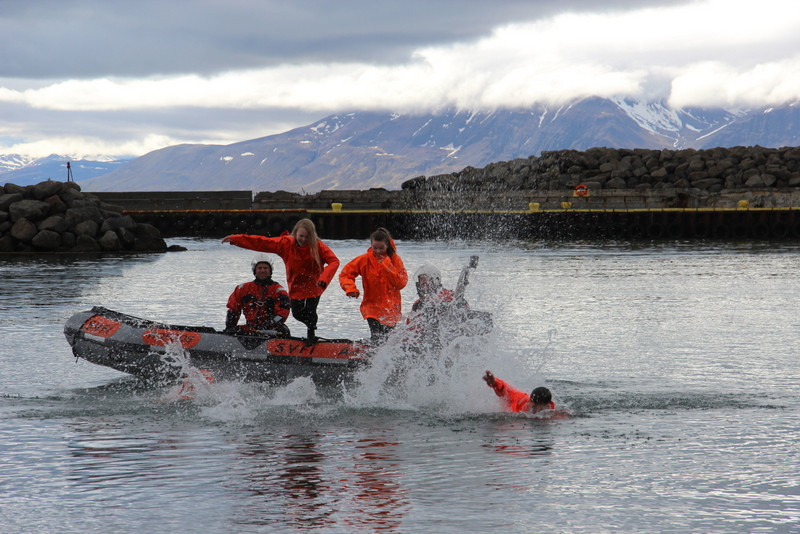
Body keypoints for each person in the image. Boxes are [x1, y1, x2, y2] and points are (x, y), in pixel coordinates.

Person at [223, 218, 339, 342]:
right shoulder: (285, 243)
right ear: (295, 234)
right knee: (297, 314)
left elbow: (334, 261)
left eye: (307, 237)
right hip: (296, 287)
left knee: (311, 312)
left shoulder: (318, 246)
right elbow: (262, 243)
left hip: (315, 285)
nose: (303, 240)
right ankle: (310, 326)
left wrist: (324, 279)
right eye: (301, 236)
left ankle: (311, 334)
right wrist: (236, 240)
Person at [339, 227, 408, 344]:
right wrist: (350, 288)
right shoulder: (364, 260)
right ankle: (372, 357)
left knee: (387, 340)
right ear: (371, 245)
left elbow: (401, 283)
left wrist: (387, 266)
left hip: (391, 309)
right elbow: (345, 274)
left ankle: (383, 357)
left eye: (381, 248)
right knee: (377, 337)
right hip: (371, 307)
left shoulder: (395, 260)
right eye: (375, 248)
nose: (378, 251)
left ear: (387, 245)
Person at [225, 256, 291, 335]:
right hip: (251, 329)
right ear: (254, 270)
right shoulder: (242, 289)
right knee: (236, 330)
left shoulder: (279, 291)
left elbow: (283, 313)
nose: (262, 271)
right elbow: (233, 309)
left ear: (270, 270)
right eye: (259, 268)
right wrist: (230, 328)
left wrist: (269, 324)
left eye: (265, 268)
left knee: (284, 330)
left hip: (272, 329)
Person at [483, 370, 561, 415]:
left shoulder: (551, 411)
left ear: (547, 405)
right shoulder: (519, 399)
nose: (533, 407)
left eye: (536, 405)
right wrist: (494, 383)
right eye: (532, 404)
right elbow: (505, 388)